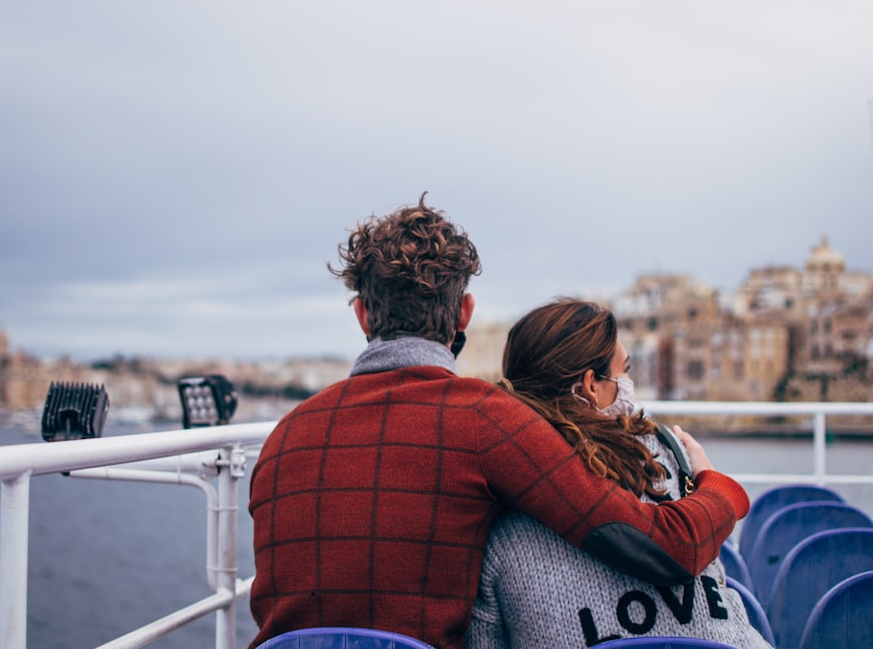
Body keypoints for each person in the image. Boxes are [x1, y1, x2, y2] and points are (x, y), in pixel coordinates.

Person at [248, 197, 749, 649]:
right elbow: (659, 546)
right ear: (464, 312)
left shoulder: (284, 436)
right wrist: (719, 488)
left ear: (361, 315)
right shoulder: (485, 418)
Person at [467, 298, 771, 648]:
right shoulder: (667, 457)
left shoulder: (500, 497)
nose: (628, 383)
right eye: (624, 371)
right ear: (591, 385)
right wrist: (713, 490)